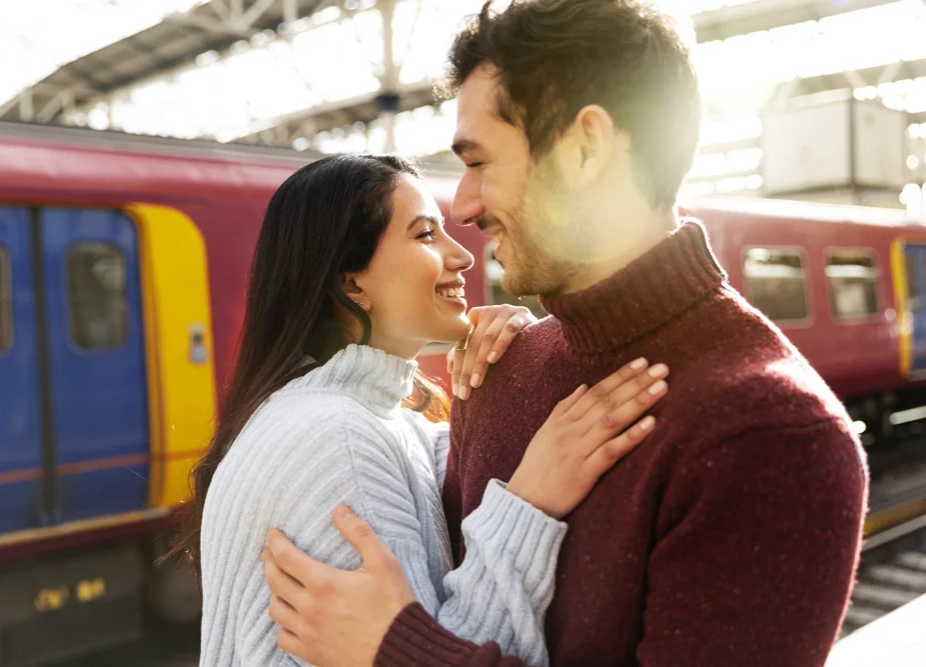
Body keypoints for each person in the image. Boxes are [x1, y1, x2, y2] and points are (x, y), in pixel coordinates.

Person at [261, 2, 869, 666]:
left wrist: (397, 651)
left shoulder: (770, 434)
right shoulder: (502, 368)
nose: (463, 205)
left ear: (586, 147)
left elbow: (424, 630)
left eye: (480, 161)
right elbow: (457, 598)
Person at [185, 153, 669, 666]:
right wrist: (530, 503)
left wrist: (528, 349)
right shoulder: (338, 436)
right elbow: (419, 650)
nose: (463, 256)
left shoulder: (378, 421)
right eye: (424, 235)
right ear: (352, 284)